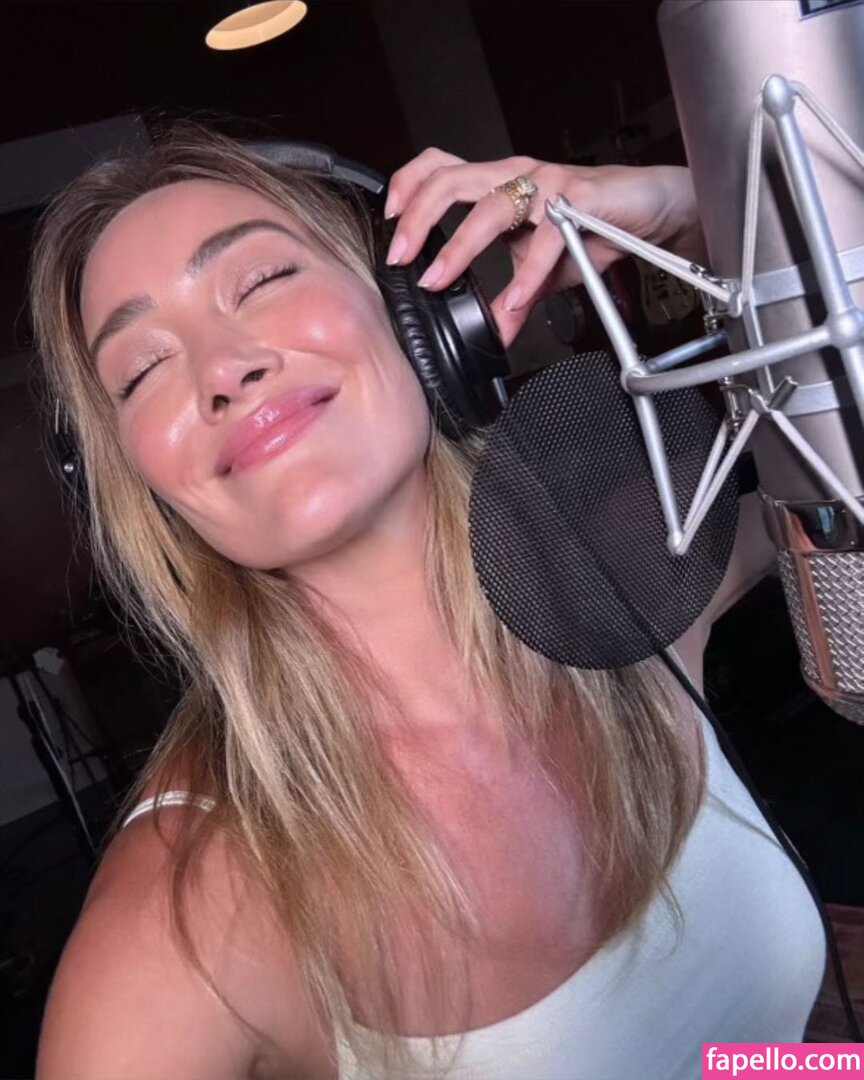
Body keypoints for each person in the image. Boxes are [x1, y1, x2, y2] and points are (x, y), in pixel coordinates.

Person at [31, 127, 824, 1080]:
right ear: (140, 484)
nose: (221, 368)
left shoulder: (627, 570)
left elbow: (739, 1052)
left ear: (423, 315)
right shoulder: (172, 932)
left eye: (263, 279)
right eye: (142, 370)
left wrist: (690, 212)